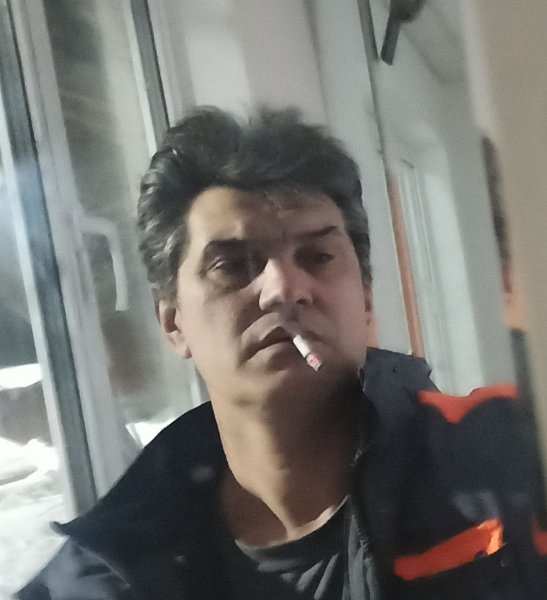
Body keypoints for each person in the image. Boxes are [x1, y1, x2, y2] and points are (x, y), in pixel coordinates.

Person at [19, 108, 546, 600]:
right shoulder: (106, 574)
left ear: (365, 297)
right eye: (233, 265)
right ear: (173, 321)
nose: (283, 289)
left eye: (317, 256)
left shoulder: (510, 458)